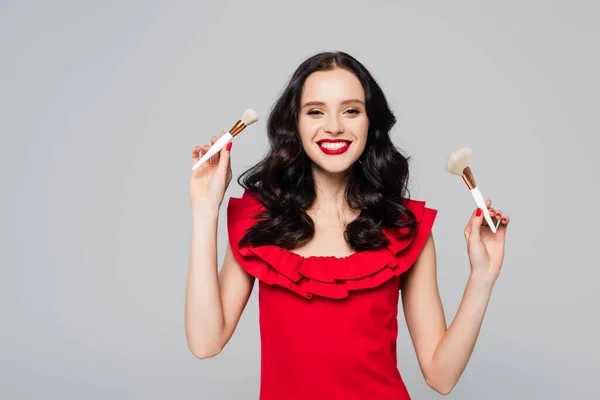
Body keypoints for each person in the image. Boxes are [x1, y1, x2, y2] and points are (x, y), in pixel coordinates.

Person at [185, 51, 510, 399]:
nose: (335, 126)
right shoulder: (261, 224)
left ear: (371, 123)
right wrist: (206, 211)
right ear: (295, 123)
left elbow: (440, 376)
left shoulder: (403, 228)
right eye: (315, 111)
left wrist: (483, 276)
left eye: (351, 110)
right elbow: (206, 343)